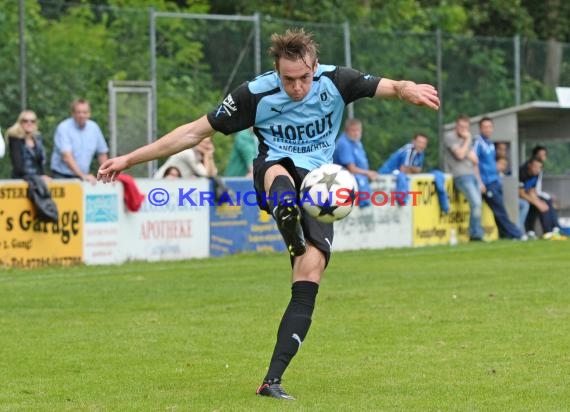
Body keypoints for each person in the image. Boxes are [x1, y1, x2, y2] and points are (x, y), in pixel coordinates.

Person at [97, 28, 440, 400]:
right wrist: (130, 159)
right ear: (277, 72)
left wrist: (408, 89)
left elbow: (390, 86)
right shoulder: (254, 93)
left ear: (315, 67)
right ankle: (285, 211)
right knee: (279, 171)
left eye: (304, 78)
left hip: (320, 184)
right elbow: (193, 133)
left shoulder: (337, 81)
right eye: (288, 79)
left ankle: (271, 381)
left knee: (310, 275)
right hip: (274, 173)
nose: (296, 87)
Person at [473, 117, 523, 239]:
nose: (488, 129)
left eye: (489, 127)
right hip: (487, 183)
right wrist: (479, 182)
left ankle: (505, 234)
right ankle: (516, 234)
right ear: (480, 128)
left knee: (498, 210)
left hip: (495, 181)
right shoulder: (478, 142)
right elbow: (474, 162)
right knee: (500, 210)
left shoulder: (490, 143)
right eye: (485, 127)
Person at [444, 115, 485, 241]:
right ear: (456, 125)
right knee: (476, 203)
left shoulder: (467, 139)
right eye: (461, 126)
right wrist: (467, 140)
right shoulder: (450, 137)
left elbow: (475, 161)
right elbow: (460, 155)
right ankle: (475, 234)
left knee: (478, 205)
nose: (463, 130)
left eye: (466, 127)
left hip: (472, 175)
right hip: (461, 175)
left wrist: (480, 181)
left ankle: (476, 232)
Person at [50, 99, 109, 183]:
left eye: (85, 112)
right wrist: (82, 176)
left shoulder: (94, 128)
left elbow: (102, 153)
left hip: (83, 177)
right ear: (72, 113)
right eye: (78, 112)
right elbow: (67, 157)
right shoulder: (63, 128)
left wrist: (107, 174)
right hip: (62, 177)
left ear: (89, 113)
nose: (81, 115)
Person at [333, 118, 377, 207]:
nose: (356, 133)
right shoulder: (344, 143)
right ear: (346, 131)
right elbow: (352, 169)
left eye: (358, 130)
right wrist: (368, 173)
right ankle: (363, 204)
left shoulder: (356, 142)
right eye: (353, 130)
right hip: (342, 184)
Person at [378, 133, 429, 206]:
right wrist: (413, 169)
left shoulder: (420, 152)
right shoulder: (409, 150)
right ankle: (402, 199)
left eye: (424, 143)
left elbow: (419, 170)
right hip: (387, 174)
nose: (421, 145)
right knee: (402, 177)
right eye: (419, 142)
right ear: (413, 141)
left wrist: (411, 169)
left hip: (395, 174)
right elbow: (403, 170)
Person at [519, 156, 561, 238]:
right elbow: (520, 193)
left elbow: (532, 191)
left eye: (539, 167)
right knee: (532, 204)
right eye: (535, 167)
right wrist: (537, 203)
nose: (537, 169)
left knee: (545, 202)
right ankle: (529, 231)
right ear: (529, 165)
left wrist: (538, 201)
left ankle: (551, 230)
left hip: (527, 195)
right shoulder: (521, 173)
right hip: (515, 196)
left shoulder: (537, 174)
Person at [6, 110, 50, 181]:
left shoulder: (38, 138)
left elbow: (41, 162)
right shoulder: (15, 139)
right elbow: (18, 167)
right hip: (22, 180)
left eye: (32, 121)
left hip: (38, 179)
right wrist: (37, 177)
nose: (29, 123)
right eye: (25, 121)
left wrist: (42, 175)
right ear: (20, 123)